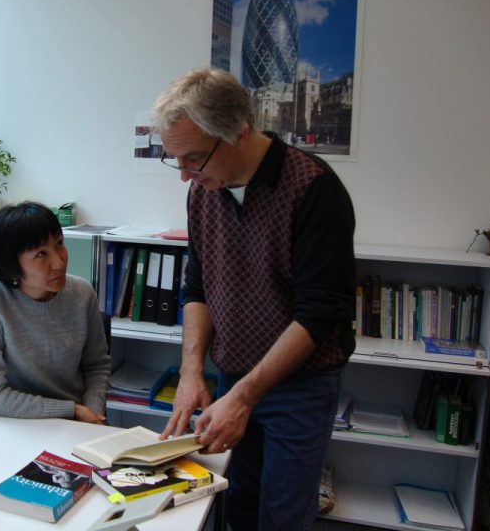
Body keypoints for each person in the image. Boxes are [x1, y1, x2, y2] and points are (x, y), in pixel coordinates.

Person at [151, 68, 355, 530]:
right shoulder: (204, 190)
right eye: (175, 160)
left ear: (239, 132)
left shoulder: (313, 188)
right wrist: (190, 372)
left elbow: (319, 312)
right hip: (232, 376)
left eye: (193, 158)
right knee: (236, 503)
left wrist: (244, 397)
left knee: (283, 515)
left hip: (300, 387)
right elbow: (198, 287)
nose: (183, 175)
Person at [0, 201, 111, 424]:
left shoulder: (82, 294)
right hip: (18, 423)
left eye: (59, 244)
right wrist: (71, 410)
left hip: (77, 425)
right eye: (41, 254)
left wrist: (92, 417)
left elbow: (96, 366)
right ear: (11, 266)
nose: (59, 262)